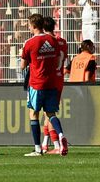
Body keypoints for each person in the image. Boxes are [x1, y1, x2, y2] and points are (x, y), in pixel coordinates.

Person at [20, 14, 69, 156]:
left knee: (34, 113)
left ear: (33, 26)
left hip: (37, 83)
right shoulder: (53, 41)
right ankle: (60, 135)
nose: (29, 28)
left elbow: (23, 66)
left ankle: (37, 149)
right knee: (51, 113)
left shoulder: (29, 43)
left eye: (29, 25)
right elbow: (58, 59)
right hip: (52, 82)